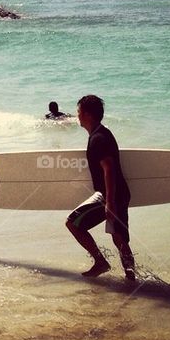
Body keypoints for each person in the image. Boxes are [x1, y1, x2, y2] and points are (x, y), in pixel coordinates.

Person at [65, 95, 136, 282]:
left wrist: (110, 202)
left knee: (73, 223)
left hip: (110, 195)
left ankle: (100, 261)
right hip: (120, 193)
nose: (77, 115)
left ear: (87, 114)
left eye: (79, 111)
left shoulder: (98, 139)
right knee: (119, 237)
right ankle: (131, 278)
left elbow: (109, 169)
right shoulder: (102, 133)